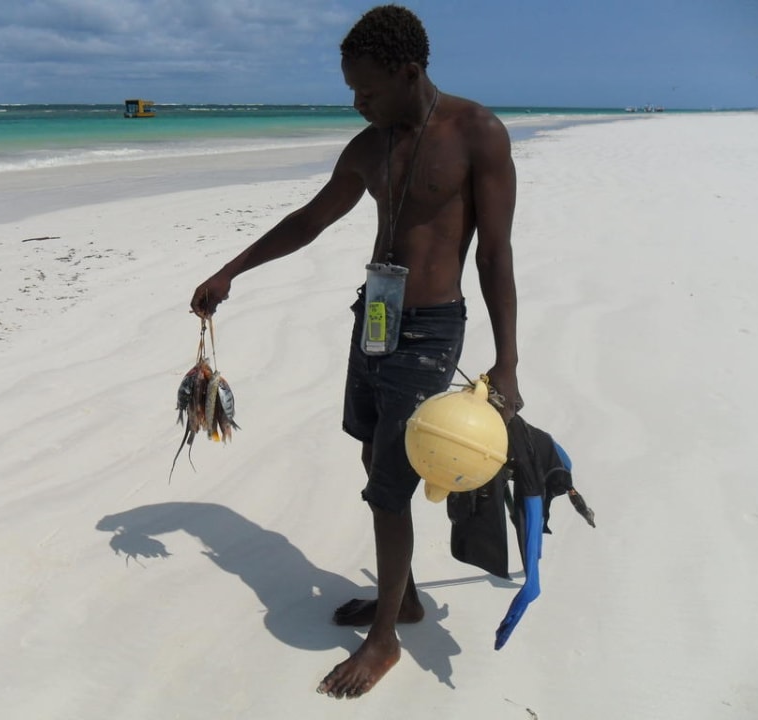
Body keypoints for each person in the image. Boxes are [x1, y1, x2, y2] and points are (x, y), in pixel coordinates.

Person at [190, 4, 521, 699]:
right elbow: (310, 220)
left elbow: (494, 254)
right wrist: (231, 270)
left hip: (431, 330)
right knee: (374, 457)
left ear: (409, 73)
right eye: (351, 90)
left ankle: (386, 639)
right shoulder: (371, 146)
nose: (357, 101)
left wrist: (509, 363)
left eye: (366, 89)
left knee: (391, 481)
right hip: (373, 319)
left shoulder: (476, 133)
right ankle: (399, 598)